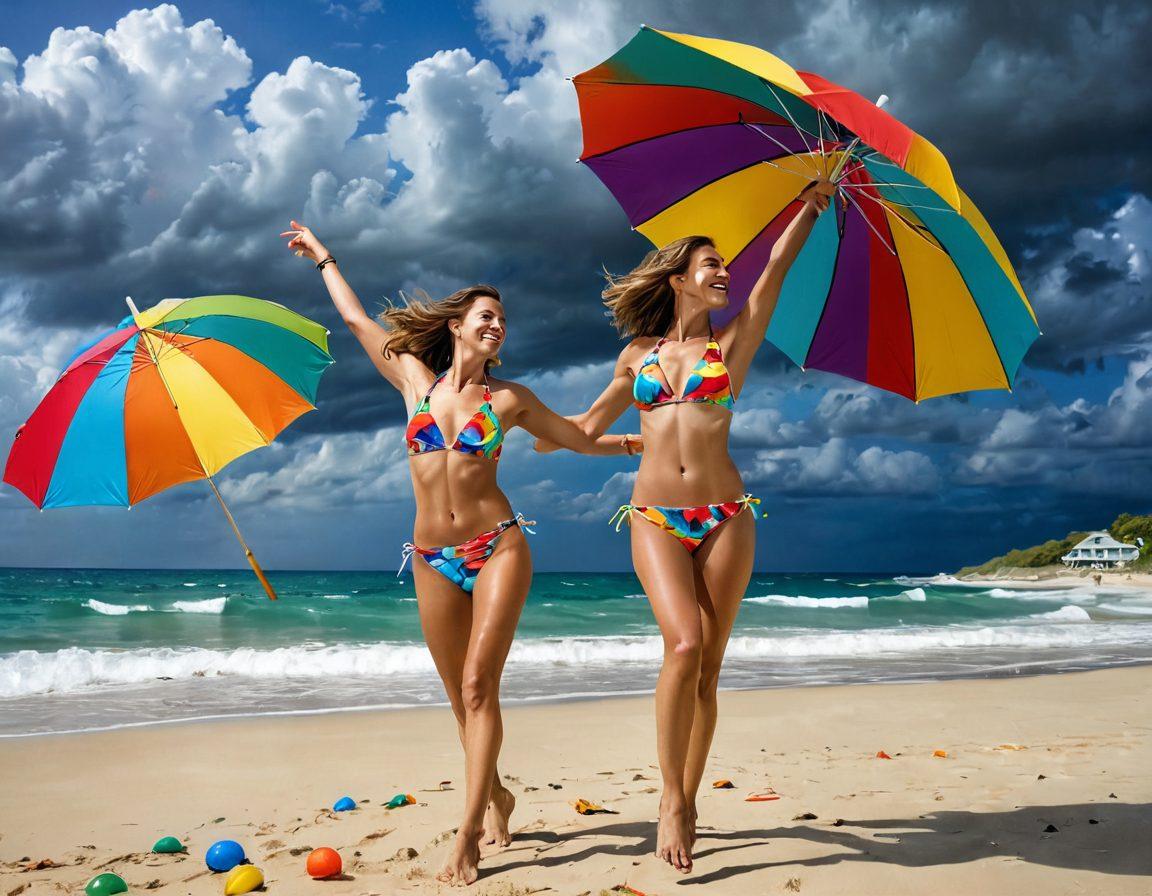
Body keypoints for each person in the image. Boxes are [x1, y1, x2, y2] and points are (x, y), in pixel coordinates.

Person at [281, 220, 640, 886]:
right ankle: (497, 795)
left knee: (480, 687)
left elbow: (579, 435)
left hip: (498, 546)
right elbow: (357, 317)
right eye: (486, 316)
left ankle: (468, 835)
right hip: (428, 556)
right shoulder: (414, 381)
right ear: (456, 326)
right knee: (458, 699)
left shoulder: (509, 400)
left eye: (503, 319)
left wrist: (627, 444)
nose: (497, 325)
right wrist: (321, 255)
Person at [537, 182, 832, 873]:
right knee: (683, 645)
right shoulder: (636, 357)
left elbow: (775, 275)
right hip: (654, 516)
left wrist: (811, 205)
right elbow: (586, 428)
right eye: (711, 264)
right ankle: (670, 798)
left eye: (726, 263)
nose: (725, 272)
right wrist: (531, 422)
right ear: (678, 280)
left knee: (708, 671)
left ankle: (690, 794)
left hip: (727, 515)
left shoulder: (731, 346)